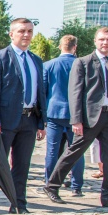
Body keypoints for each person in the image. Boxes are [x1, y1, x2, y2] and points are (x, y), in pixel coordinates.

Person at [43, 27, 108, 208]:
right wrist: (76, 120)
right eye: (102, 39)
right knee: (74, 152)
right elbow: (75, 93)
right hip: (89, 117)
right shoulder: (83, 62)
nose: (105, 42)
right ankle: (52, 185)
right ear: (95, 41)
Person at [0, 18, 46, 215]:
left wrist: (42, 122)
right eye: (21, 31)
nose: (26, 35)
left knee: (22, 165)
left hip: (29, 119)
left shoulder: (36, 60)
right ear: (12, 34)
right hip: (4, 121)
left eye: (29, 31)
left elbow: (40, 92)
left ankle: (18, 203)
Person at [42, 35, 84, 197]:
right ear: (75, 47)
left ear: (60, 46)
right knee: (76, 151)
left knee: (52, 151)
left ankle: (50, 183)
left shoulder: (49, 65)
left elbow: (43, 90)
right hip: (76, 114)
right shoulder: (81, 64)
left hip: (54, 112)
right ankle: (76, 186)